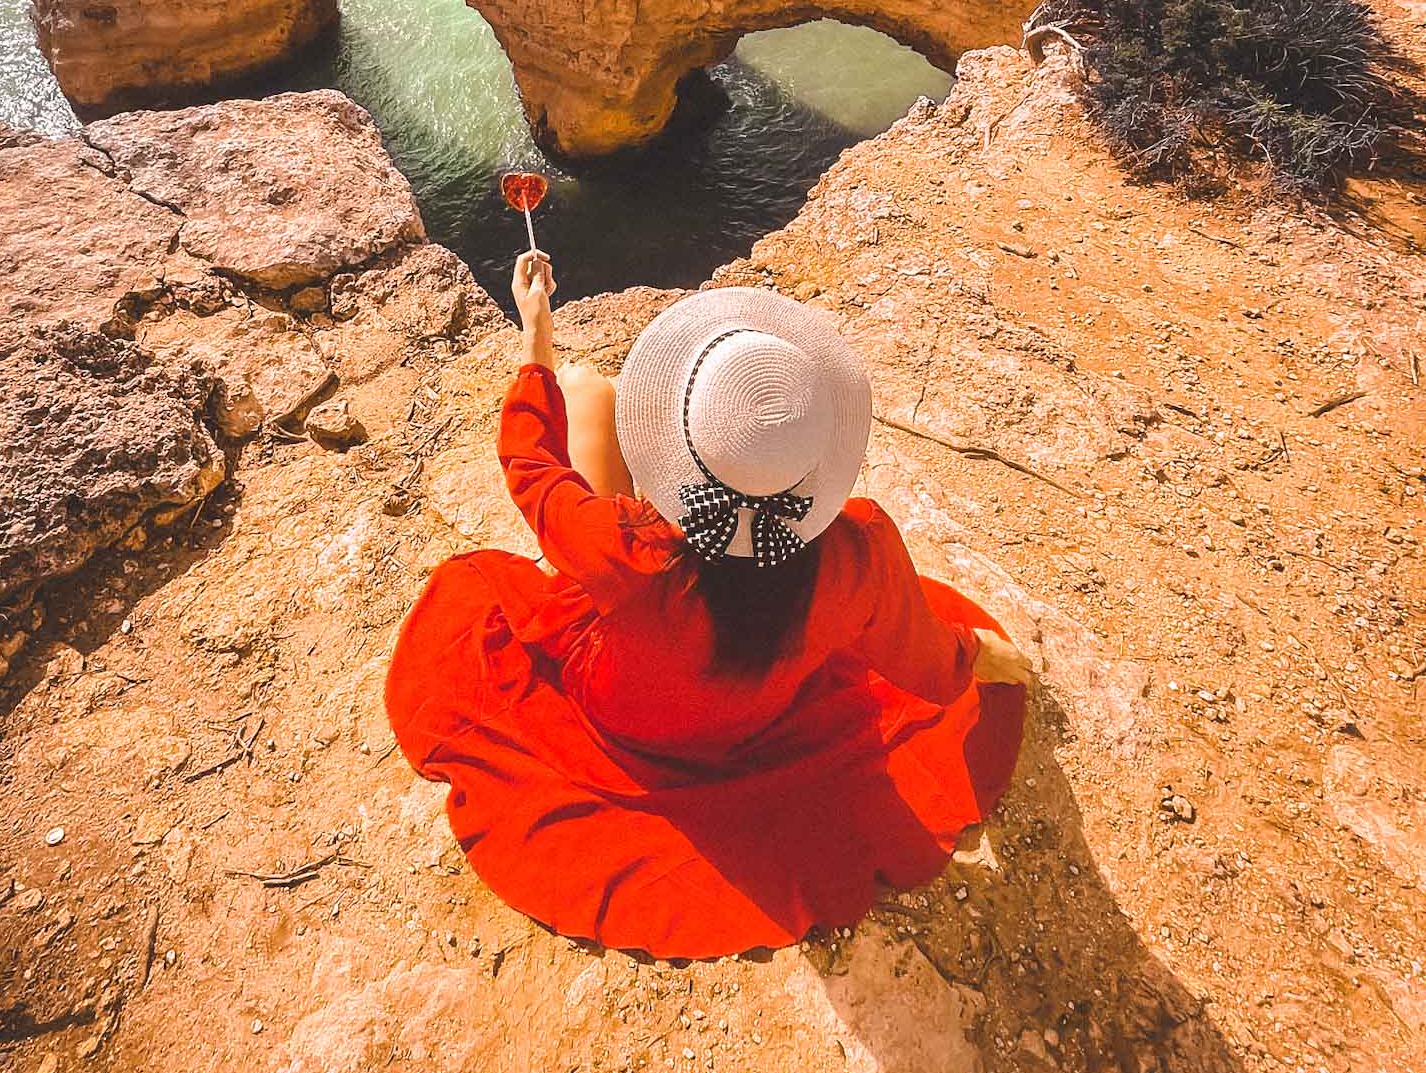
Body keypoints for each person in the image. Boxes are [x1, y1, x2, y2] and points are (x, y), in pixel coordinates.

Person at [385, 251, 1031, 960]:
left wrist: (535, 328)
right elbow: (933, 672)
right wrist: (978, 654)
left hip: (615, 715)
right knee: (587, 395)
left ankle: (575, 379)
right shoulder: (857, 554)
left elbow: (530, 462)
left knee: (579, 387)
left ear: (685, 450)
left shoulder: (627, 548)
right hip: (745, 724)